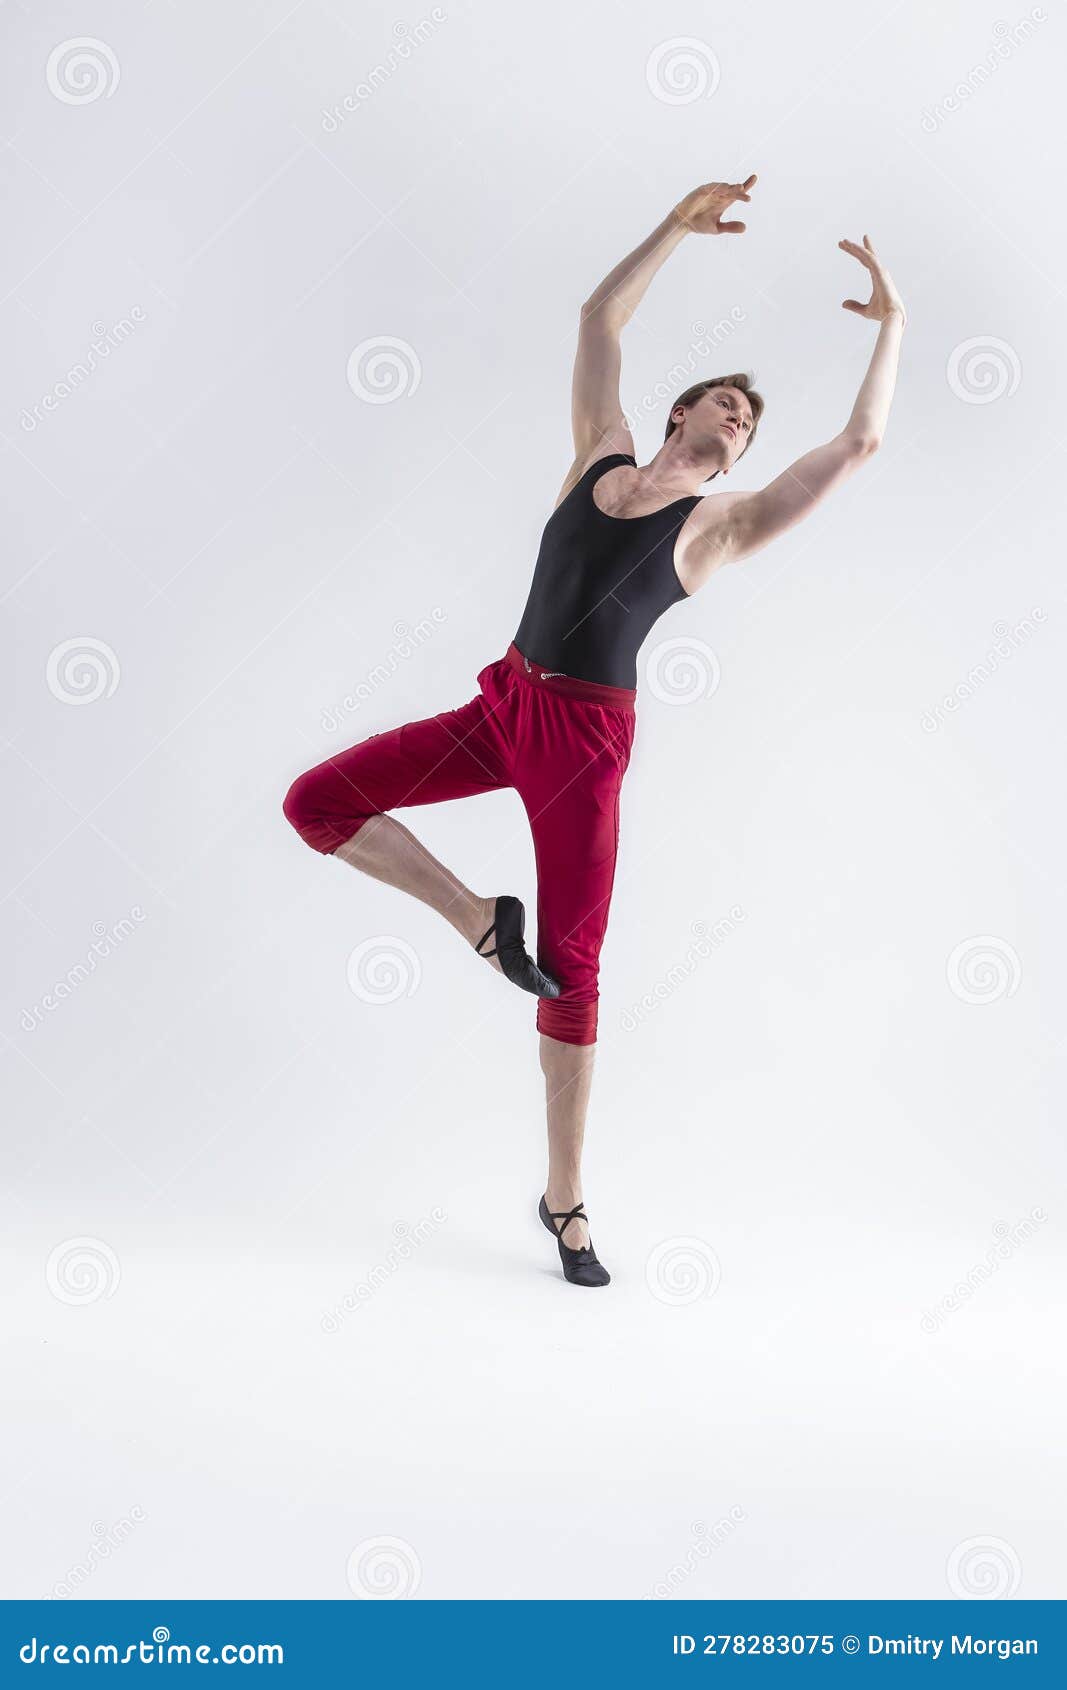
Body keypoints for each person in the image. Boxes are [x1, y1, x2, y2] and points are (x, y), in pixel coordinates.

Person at [283, 174, 906, 1287]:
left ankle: (563, 1201)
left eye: (751, 423)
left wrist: (893, 326)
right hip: (501, 704)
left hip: (581, 747)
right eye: (726, 402)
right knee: (314, 801)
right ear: (683, 411)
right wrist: (675, 223)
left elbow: (857, 447)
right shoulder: (599, 455)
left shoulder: (716, 526)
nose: (739, 420)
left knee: (573, 972)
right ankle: (479, 919)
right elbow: (595, 322)